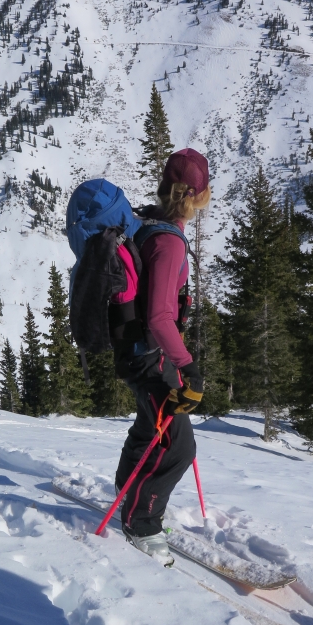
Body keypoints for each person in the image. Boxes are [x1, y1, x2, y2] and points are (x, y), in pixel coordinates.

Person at [114, 148, 210, 566]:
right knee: (177, 445)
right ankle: (142, 522)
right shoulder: (169, 242)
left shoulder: (147, 222)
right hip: (151, 354)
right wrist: (187, 366)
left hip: (137, 349)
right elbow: (158, 316)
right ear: (194, 196)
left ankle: (130, 496)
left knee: (149, 428)